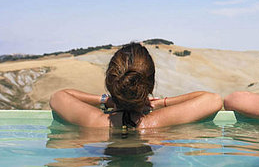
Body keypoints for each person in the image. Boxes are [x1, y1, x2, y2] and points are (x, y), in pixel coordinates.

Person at [50, 42, 222, 130]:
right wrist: (160, 103)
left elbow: (59, 96)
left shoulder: (94, 121)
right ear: (151, 84)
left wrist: (106, 100)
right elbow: (213, 100)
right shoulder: (158, 122)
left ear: (111, 82)